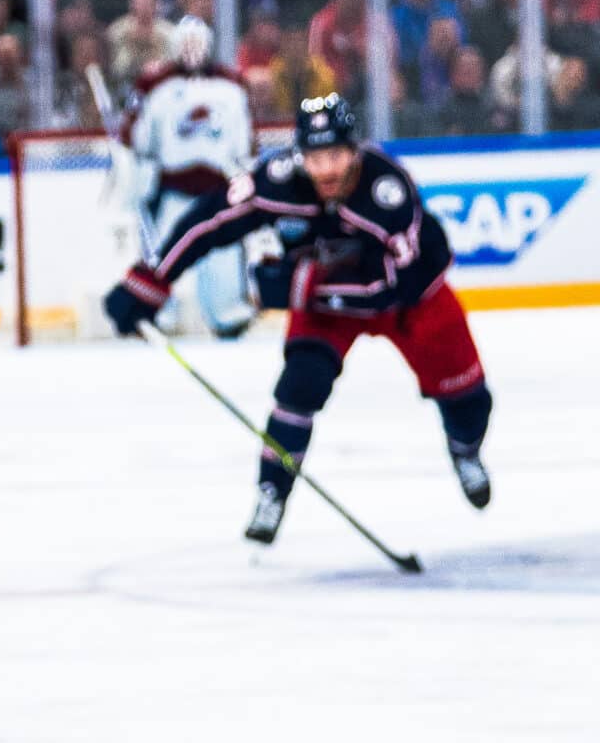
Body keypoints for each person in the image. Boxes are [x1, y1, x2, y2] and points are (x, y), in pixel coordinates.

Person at [104, 95, 492, 544]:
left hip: (413, 303)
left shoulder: (388, 194)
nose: (325, 169)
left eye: (336, 156)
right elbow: (210, 219)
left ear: (355, 150)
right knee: (298, 387)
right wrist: (150, 280)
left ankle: (466, 450)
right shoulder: (279, 179)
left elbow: (395, 288)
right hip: (328, 305)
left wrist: (304, 288)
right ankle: (272, 491)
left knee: (468, 396)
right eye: (314, 157)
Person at [116, 15, 258, 338]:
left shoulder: (232, 84)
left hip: (218, 190)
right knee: (165, 253)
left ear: (209, 45)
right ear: (174, 46)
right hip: (173, 190)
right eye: (186, 43)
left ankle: (228, 315)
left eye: (198, 43)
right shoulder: (155, 83)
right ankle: (158, 314)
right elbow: (138, 136)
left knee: (222, 253)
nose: (192, 50)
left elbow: (245, 139)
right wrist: (137, 169)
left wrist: (245, 174)